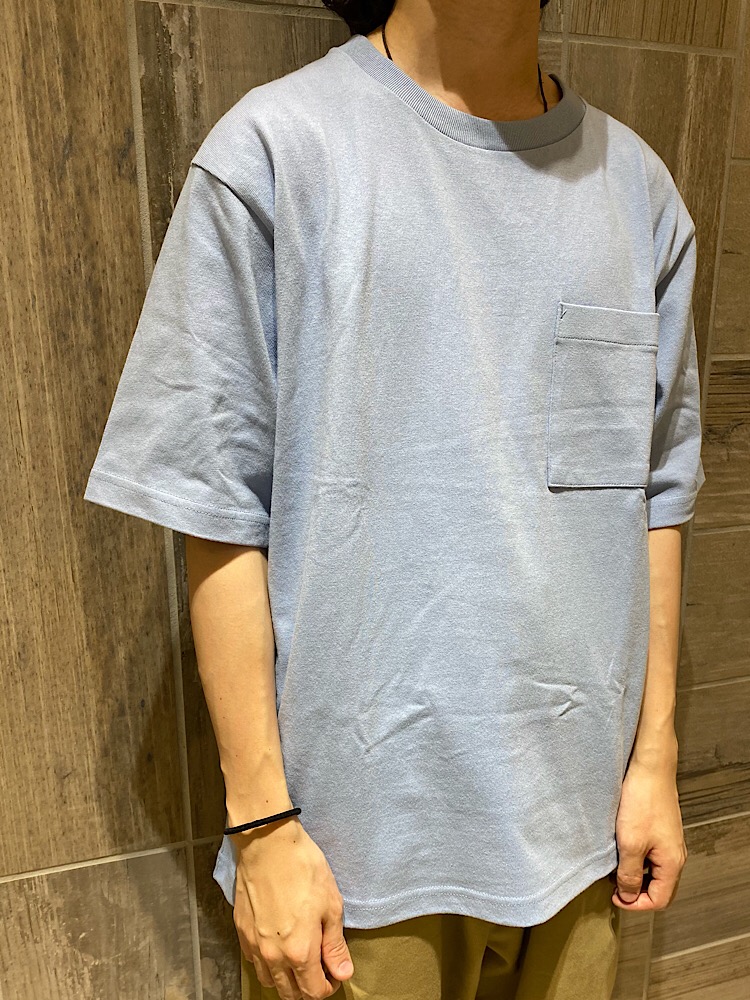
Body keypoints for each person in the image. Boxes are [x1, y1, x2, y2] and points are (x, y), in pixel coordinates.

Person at [83, 0, 706, 997]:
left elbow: (657, 496)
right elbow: (214, 502)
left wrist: (654, 762)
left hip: (584, 841)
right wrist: (263, 825)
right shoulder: (278, 152)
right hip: (356, 866)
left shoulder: (638, 191)